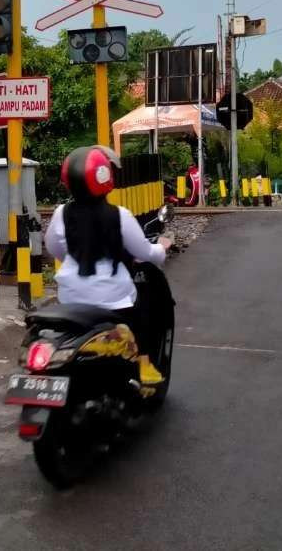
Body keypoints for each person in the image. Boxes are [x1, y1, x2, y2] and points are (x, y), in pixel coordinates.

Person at [45, 145, 171, 385]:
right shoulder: (119, 215)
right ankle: (144, 365)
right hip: (113, 302)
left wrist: (77, 257)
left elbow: (55, 249)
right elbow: (145, 252)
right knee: (143, 309)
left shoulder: (61, 213)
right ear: (105, 177)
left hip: (70, 300)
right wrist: (162, 248)